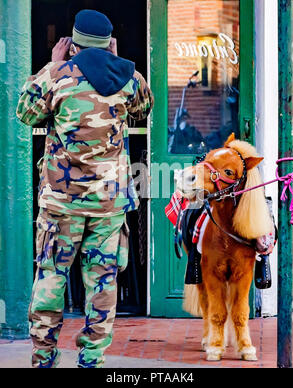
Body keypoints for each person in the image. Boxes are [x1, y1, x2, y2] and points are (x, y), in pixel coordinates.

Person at [16, 9, 153, 368]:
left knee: (51, 276)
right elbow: (144, 109)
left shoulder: (56, 75)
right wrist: (116, 59)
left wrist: (52, 64)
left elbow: (26, 113)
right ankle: (92, 358)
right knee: (103, 281)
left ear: (73, 43)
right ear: (109, 42)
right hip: (108, 204)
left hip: (61, 203)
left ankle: (44, 356)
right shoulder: (130, 77)